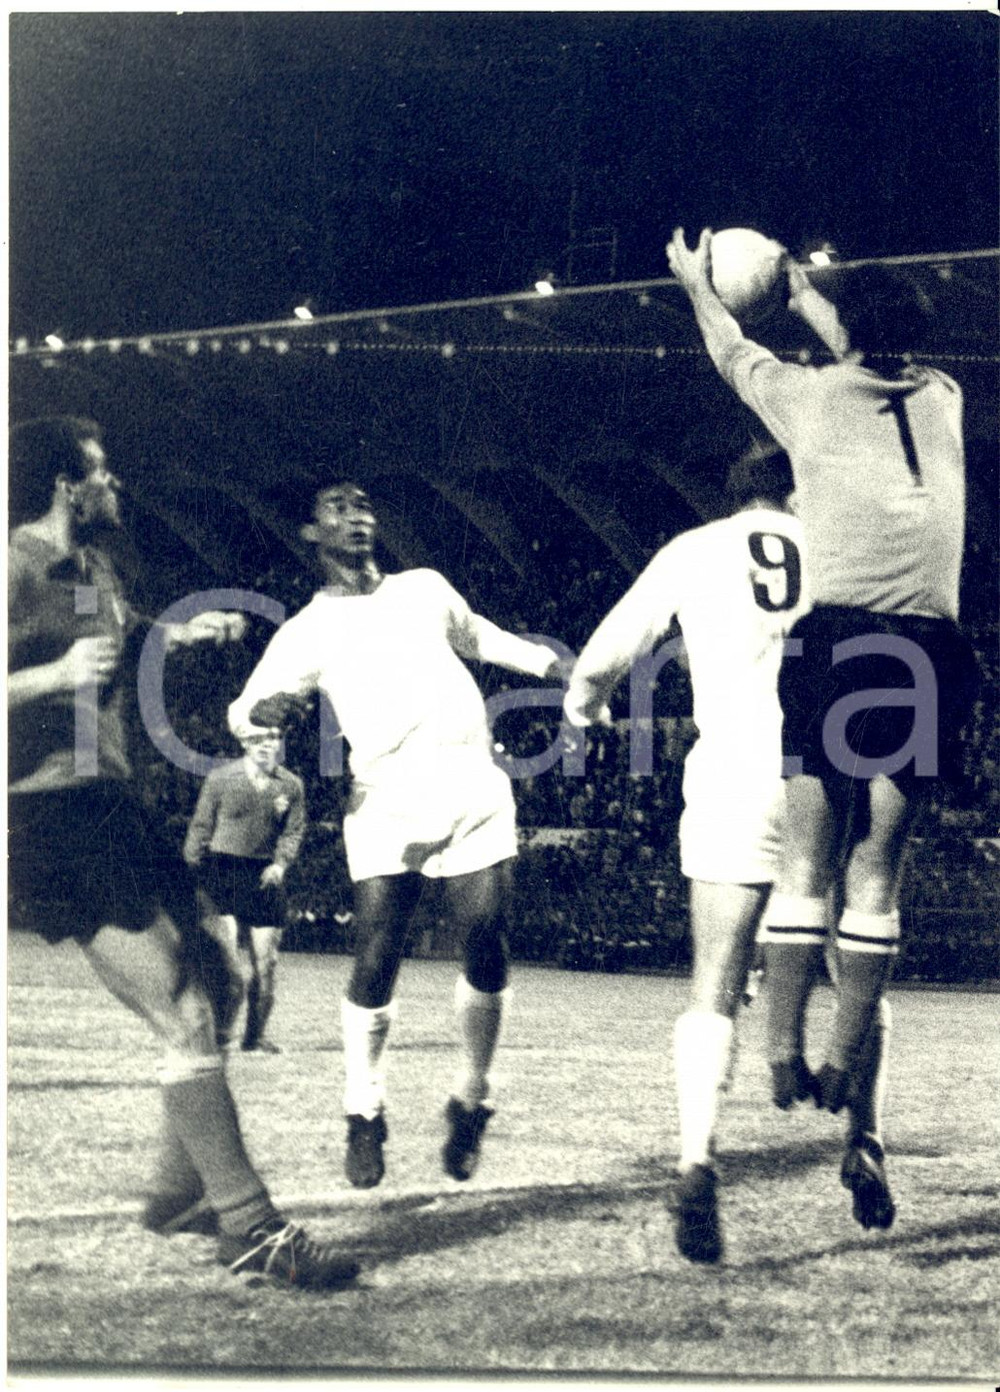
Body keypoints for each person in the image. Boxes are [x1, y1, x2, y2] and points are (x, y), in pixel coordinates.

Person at [666, 228, 979, 1230]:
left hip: (841, 639)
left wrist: (701, 287)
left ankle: (781, 1053)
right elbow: (866, 345)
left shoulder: (802, 399)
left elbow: (726, 352)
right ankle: (845, 1062)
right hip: (929, 645)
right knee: (876, 874)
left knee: (803, 865)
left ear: (844, 339)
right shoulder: (943, 399)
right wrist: (810, 295)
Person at [7, 416, 359, 1289]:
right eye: (101, 471)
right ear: (64, 484)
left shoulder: (89, 569)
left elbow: (107, 633)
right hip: (44, 815)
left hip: (109, 802)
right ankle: (248, 1224)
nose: (115, 484)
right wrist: (48, 680)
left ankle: (179, 1192)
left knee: (225, 978)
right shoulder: (16, 565)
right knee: (182, 1011)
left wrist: (177, 635)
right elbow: (61, 665)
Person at [228, 481, 571, 1189]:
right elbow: (244, 713)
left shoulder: (424, 586)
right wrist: (273, 703)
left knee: (485, 938)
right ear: (311, 532)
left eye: (364, 506)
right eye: (339, 509)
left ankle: (472, 1098)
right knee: (377, 951)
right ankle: (363, 1107)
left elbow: (480, 636)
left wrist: (549, 665)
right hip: (385, 797)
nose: (358, 516)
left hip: (472, 782)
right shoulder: (305, 630)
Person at [564, 446, 810, 1263]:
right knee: (848, 948)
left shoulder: (694, 549)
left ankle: (698, 1159)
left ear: (735, 496)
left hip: (734, 774)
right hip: (824, 772)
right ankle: (864, 1140)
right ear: (793, 489)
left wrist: (583, 700)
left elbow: (608, 650)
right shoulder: (834, 542)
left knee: (715, 977)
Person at [184, 723, 306, 1054]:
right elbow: (201, 826)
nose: (267, 744)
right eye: (260, 738)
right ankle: (215, 1034)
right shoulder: (221, 778)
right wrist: (190, 870)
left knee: (266, 965)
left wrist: (280, 864)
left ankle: (255, 1037)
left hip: (262, 876)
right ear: (246, 742)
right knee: (226, 965)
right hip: (222, 873)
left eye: (275, 738)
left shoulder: (291, 785)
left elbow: (293, 831)